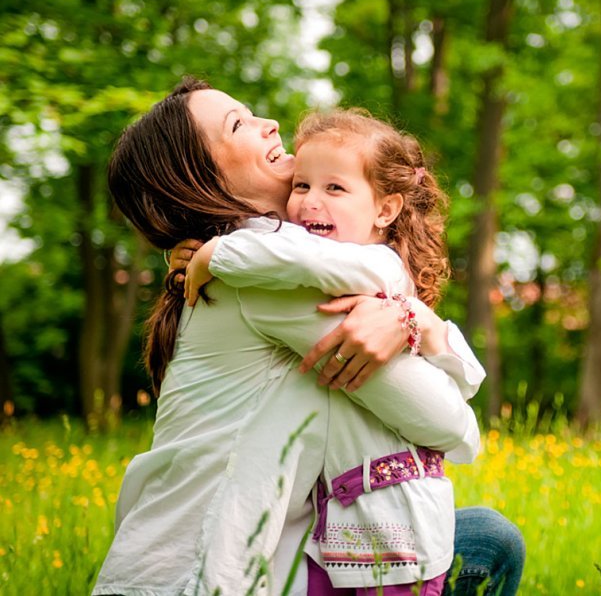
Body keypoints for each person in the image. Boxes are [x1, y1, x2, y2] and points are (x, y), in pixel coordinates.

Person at [93, 78, 523, 596]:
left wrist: (413, 318)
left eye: (252, 112)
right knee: (490, 540)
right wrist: (412, 318)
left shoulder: (248, 260)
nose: (268, 124)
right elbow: (454, 429)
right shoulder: (265, 279)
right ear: (200, 179)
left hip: (240, 556)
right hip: (194, 578)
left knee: (479, 534)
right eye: (238, 125)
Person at [179, 108, 485, 595]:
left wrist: (216, 254)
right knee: (488, 536)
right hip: (338, 528)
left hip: (398, 529)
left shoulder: (365, 270)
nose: (308, 202)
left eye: (333, 188)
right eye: (301, 186)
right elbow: (287, 254)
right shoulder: (305, 270)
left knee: (489, 538)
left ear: (385, 210)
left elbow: (461, 401)